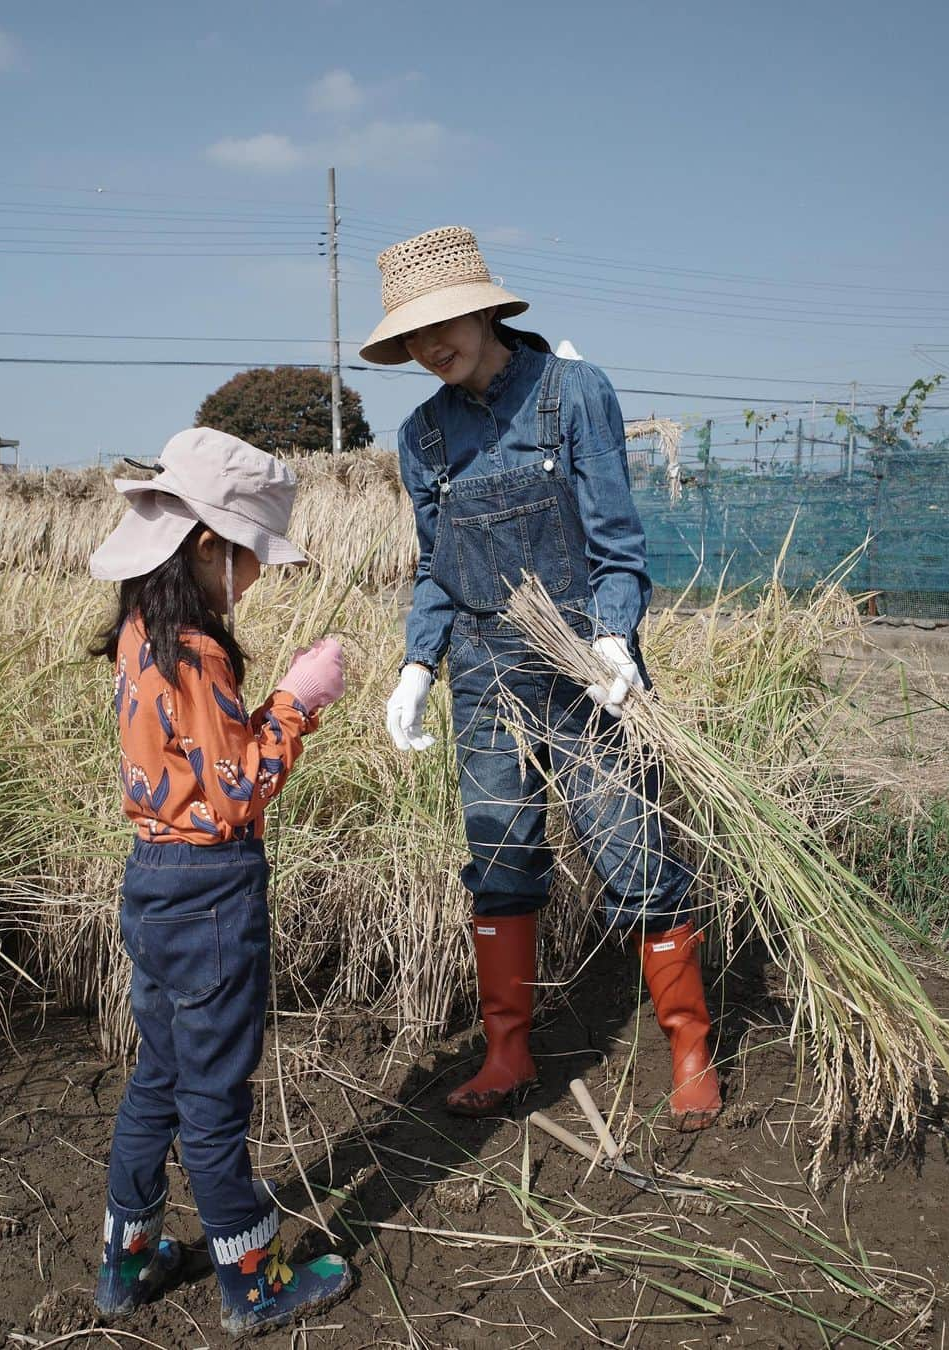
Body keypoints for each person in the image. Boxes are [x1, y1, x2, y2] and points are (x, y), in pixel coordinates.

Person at [360, 226, 721, 1129]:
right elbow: (436, 568)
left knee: (635, 860)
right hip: (484, 678)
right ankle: (508, 1051)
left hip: (582, 671)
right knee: (501, 867)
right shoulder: (424, 438)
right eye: (412, 336)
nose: (430, 347)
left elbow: (618, 548)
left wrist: (615, 640)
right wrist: (416, 665)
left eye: (443, 324)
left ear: (486, 308)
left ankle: (689, 1047)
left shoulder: (572, 396)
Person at [87, 428, 353, 1337]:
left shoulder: (137, 637)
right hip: (211, 888)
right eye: (250, 561)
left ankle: (127, 1260)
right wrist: (298, 700)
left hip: (153, 881)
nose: (255, 579)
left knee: (158, 1073)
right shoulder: (195, 652)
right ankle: (253, 1278)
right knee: (215, 1093)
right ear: (208, 545)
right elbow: (239, 788)